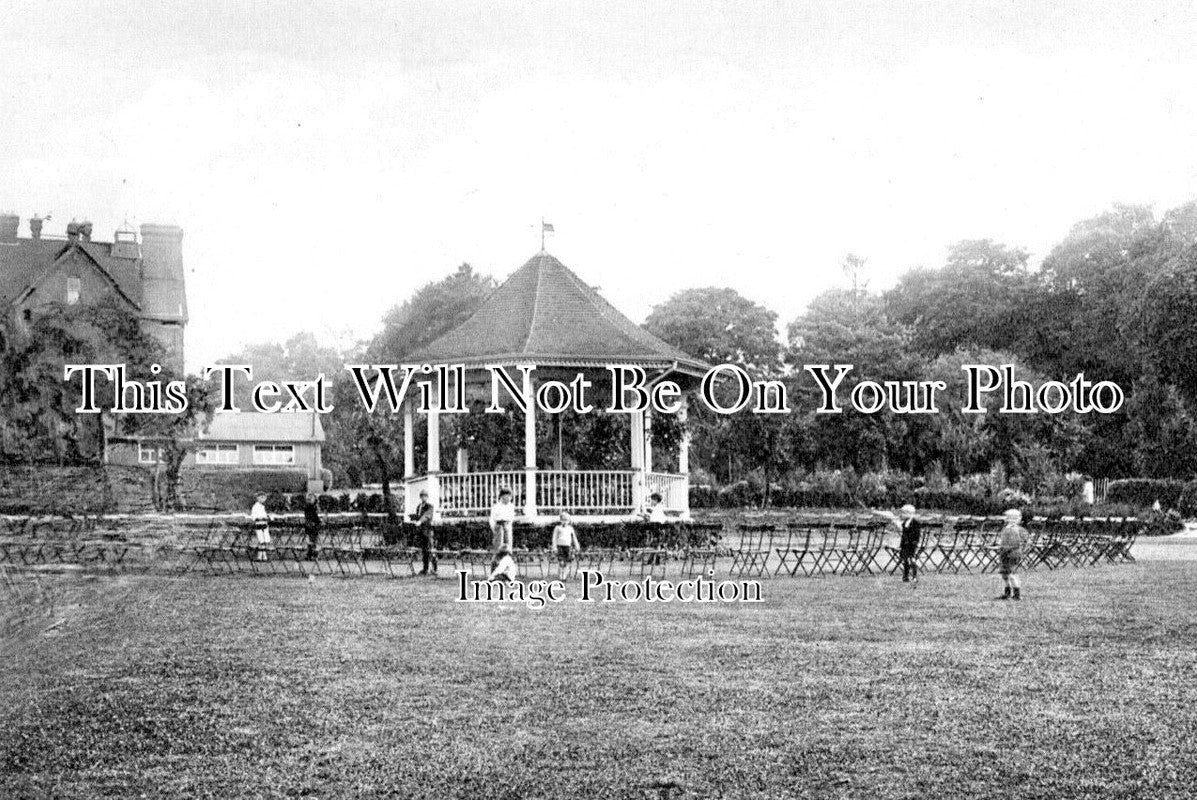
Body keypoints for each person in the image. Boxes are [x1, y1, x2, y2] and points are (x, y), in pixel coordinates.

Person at [997, 508, 1027, 600]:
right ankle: (1007, 592)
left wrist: (1021, 549)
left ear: (1018, 519)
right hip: (1004, 553)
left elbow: (1023, 541)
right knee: (1004, 573)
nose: (1011, 521)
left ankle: (1017, 594)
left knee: (1011, 573)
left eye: (1015, 518)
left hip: (1013, 553)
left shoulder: (1019, 530)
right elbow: (1002, 540)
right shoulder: (1005, 529)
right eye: (1009, 518)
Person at [412, 489, 437, 575]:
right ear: (420, 497)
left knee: (431, 550)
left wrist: (420, 521)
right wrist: (415, 519)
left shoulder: (430, 506)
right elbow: (418, 516)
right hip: (421, 531)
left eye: (425, 496)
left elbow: (427, 516)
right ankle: (425, 569)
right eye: (422, 496)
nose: (424, 497)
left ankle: (435, 569)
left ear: (427, 497)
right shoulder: (419, 507)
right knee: (424, 551)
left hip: (428, 530)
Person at [551, 512, 581, 579]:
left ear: (569, 521)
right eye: (563, 520)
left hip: (568, 546)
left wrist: (577, 546)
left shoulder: (570, 528)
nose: (564, 522)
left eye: (566, 520)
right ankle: (560, 574)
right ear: (560, 520)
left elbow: (574, 538)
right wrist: (554, 547)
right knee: (561, 561)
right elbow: (554, 538)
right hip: (560, 546)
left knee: (567, 561)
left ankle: (564, 575)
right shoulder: (557, 528)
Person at [489, 487, 516, 554]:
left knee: (508, 545)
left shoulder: (511, 506)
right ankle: (498, 562)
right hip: (499, 526)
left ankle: (508, 561)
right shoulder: (496, 507)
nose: (508, 499)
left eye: (509, 497)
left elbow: (512, 517)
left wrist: (508, 526)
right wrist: (494, 529)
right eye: (506, 497)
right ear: (501, 497)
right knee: (498, 546)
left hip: (507, 525)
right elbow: (492, 519)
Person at [250, 493, 271, 562]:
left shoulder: (262, 507)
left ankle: (263, 556)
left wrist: (267, 517)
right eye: (262, 497)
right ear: (258, 498)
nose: (263, 499)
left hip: (264, 525)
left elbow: (265, 515)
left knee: (264, 541)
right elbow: (254, 517)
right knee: (261, 541)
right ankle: (260, 557)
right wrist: (260, 518)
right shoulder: (255, 506)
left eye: (264, 498)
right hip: (259, 525)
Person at [303, 493, 322, 561]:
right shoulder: (312, 507)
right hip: (313, 526)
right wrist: (319, 522)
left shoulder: (307, 507)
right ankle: (313, 555)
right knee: (313, 541)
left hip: (309, 526)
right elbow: (316, 516)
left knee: (310, 541)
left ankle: (310, 554)